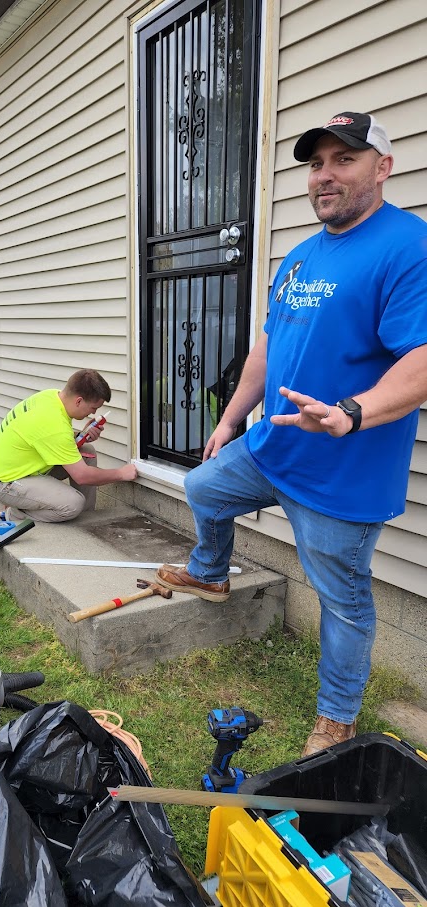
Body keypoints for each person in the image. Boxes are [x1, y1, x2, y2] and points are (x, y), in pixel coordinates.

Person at [155, 111, 427, 756]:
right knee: (202, 487)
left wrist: (352, 411)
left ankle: (337, 717)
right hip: (276, 447)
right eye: (316, 163)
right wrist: (228, 420)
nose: (325, 176)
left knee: (344, 602)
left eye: (344, 160)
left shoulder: (407, 244)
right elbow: (269, 348)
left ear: (382, 167)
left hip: (344, 469)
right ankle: (210, 572)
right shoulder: (303, 257)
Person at [0, 369, 138, 522]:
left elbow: (51, 439)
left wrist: (81, 436)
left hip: (25, 468)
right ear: (78, 401)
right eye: (93, 408)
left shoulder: (53, 397)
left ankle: (87, 518)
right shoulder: (53, 424)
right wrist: (121, 473)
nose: (92, 414)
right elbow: (82, 475)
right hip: (4, 483)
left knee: (86, 452)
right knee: (72, 504)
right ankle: (16, 513)